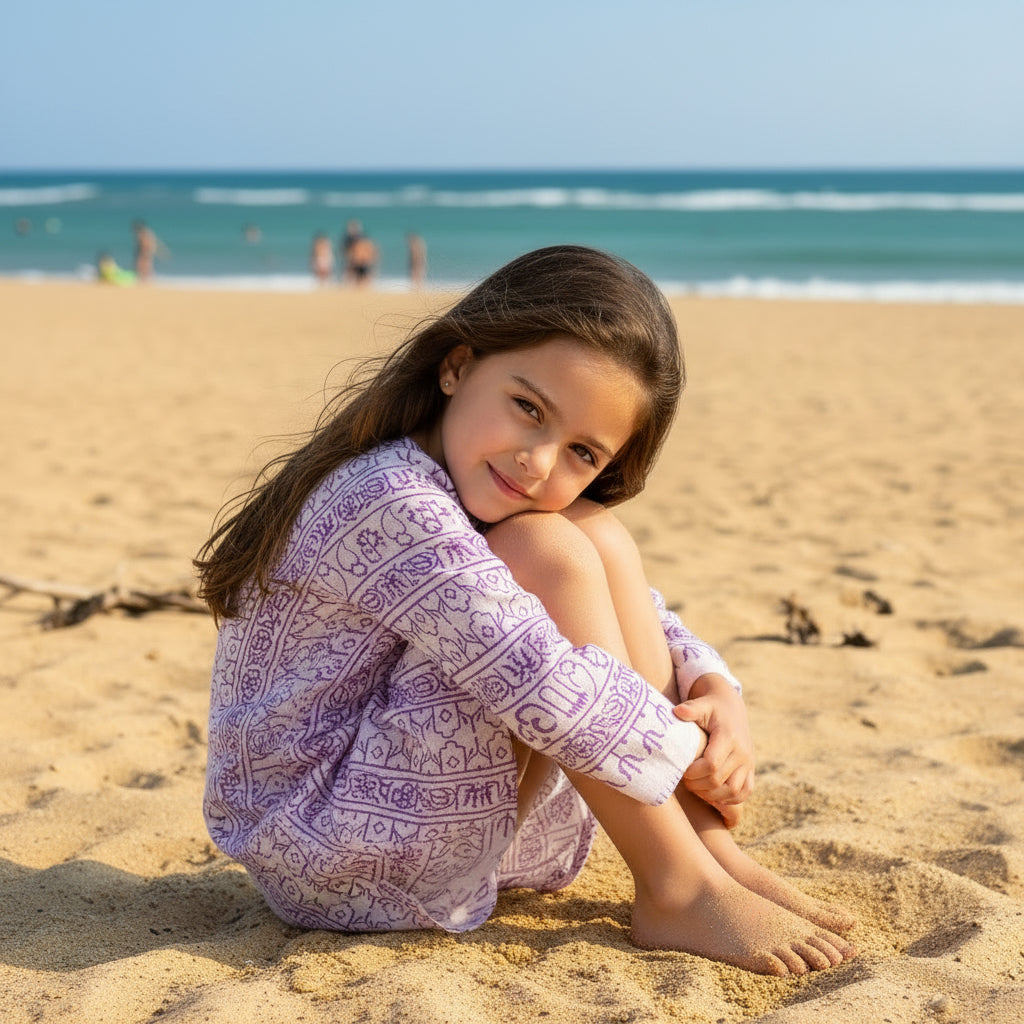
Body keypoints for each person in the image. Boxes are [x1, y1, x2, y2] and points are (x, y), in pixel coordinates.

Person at [194, 246, 856, 976]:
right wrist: (687, 750)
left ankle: (706, 851)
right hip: (323, 846)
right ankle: (676, 881)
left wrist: (714, 689)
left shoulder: (453, 481)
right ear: (456, 366)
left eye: (582, 451)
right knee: (551, 548)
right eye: (528, 409)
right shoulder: (389, 500)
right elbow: (536, 675)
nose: (538, 462)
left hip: (377, 816)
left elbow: (636, 611)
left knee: (591, 530)